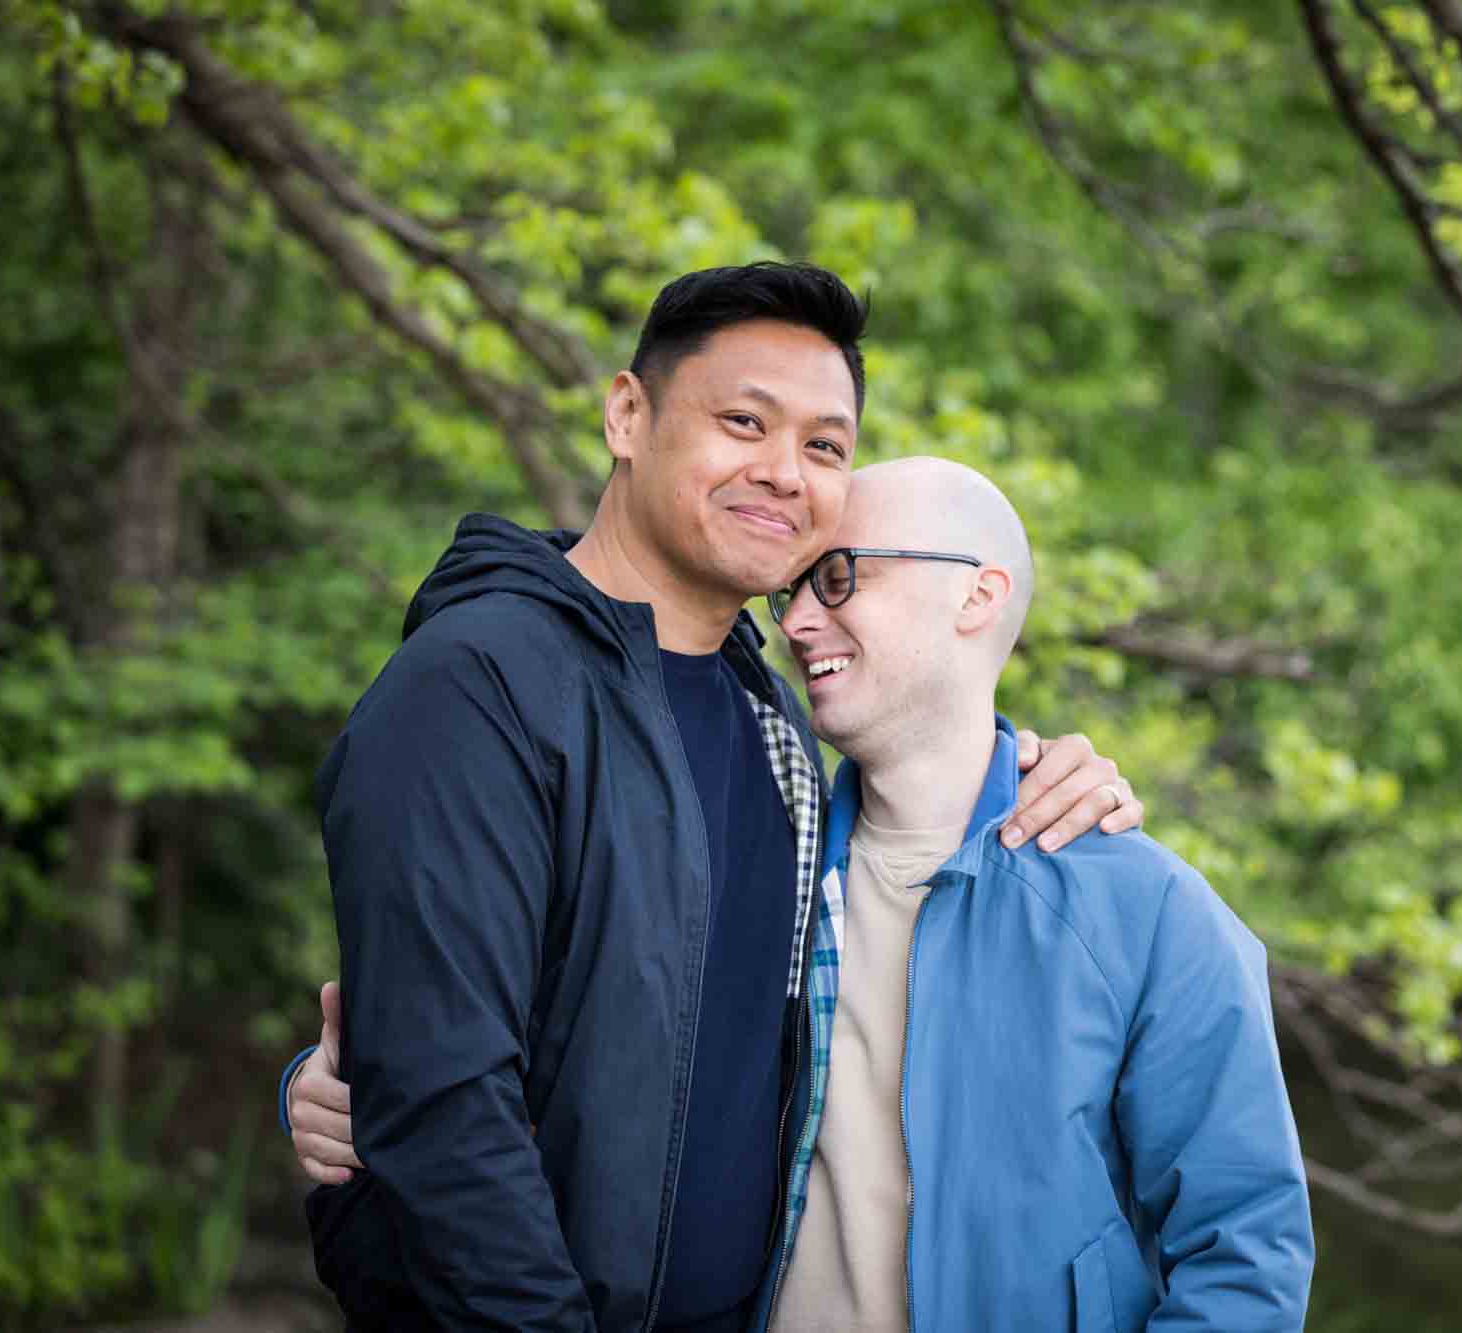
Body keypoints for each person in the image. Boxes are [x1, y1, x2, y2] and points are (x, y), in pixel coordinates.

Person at [291, 262, 1143, 1333]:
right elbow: (445, 1096)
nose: (784, 471)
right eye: (744, 422)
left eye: (824, 446)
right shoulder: (478, 687)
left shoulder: (775, 725)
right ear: (627, 416)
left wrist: (1032, 767)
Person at [293, 456, 1316, 1330]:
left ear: (978, 594)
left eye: (836, 579)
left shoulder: (1145, 912)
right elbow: (555, 1018)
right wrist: (339, 1084)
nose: (795, 622)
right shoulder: (762, 843)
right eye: (790, 593)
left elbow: (1246, 1257)